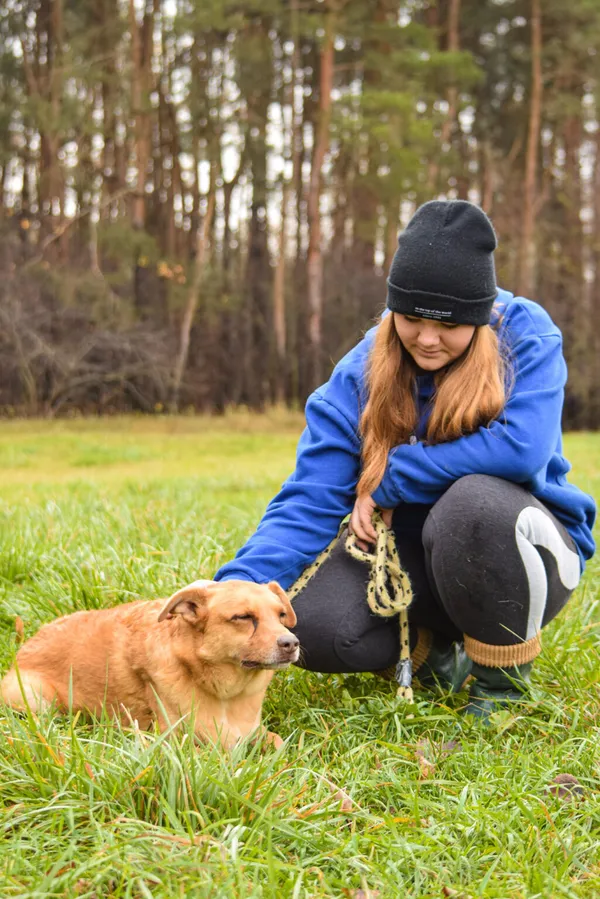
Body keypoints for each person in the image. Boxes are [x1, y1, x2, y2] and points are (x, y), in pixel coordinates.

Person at [212, 200, 596, 718]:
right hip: (418, 563)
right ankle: (440, 657)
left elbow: (521, 450)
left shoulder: (525, 335)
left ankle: (502, 690)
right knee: (314, 625)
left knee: (473, 504)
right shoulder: (359, 374)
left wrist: (391, 478)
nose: (428, 339)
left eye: (450, 324)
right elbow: (309, 500)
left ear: (480, 317)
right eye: (411, 319)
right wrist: (228, 591)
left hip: (527, 556)